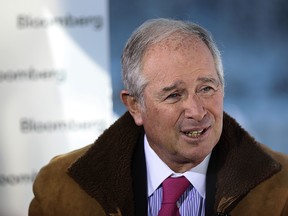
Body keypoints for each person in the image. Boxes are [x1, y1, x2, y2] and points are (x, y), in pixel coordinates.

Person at [29, 18, 288, 216]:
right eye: (174, 95)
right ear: (134, 106)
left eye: (207, 89)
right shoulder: (60, 189)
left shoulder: (281, 189)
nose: (197, 111)